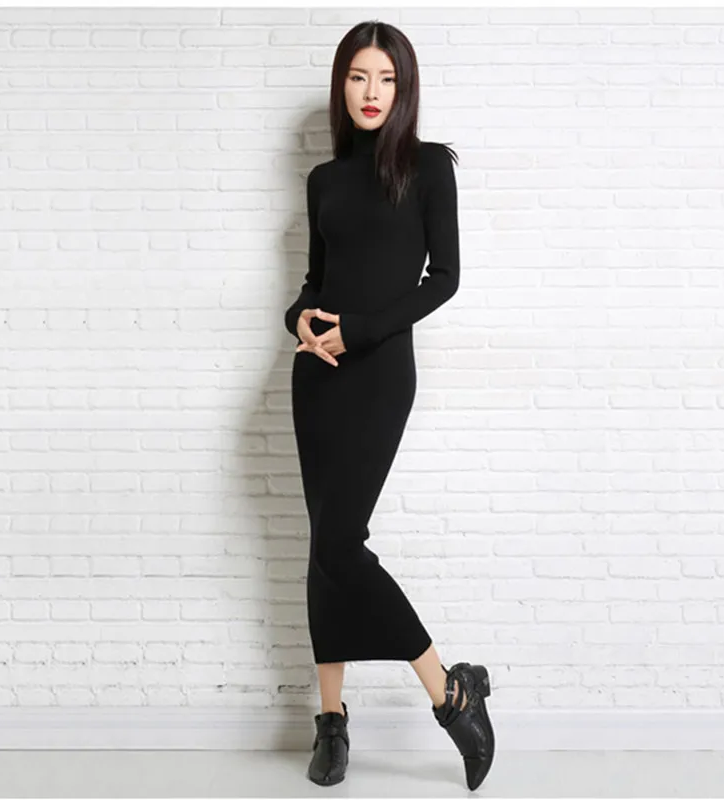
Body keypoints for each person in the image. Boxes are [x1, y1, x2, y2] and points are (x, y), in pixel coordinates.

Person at [284, 20, 496, 790]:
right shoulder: (324, 180)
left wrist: (361, 332)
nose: (371, 92)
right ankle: (332, 722)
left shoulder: (428, 166)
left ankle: (450, 693)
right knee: (325, 548)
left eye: (386, 79)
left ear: (404, 89)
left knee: (342, 545)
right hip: (316, 379)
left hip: (378, 375)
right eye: (358, 77)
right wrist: (298, 322)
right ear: (341, 86)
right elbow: (316, 281)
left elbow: (445, 278)